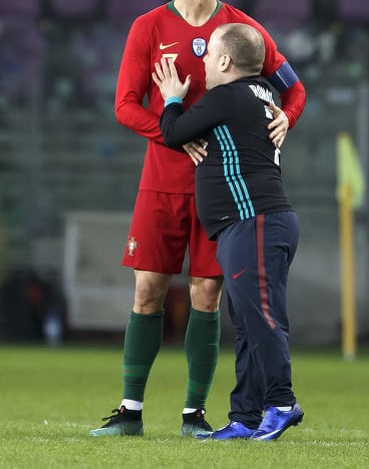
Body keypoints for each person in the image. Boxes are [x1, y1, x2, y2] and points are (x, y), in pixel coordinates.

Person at [89, 0, 306, 438]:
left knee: (208, 296)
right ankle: (130, 411)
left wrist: (287, 118)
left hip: (225, 192)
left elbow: (293, 89)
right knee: (147, 292)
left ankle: (194, 415)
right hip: (161, 182)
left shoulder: (241, 29)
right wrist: (175, 137)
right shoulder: (148, 28)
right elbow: (124, 106)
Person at [155, 22, 303, 441]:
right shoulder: (265, 94)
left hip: (252, 220)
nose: (202, 63)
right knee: (249, 320)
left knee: (261, 319)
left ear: (224, 61)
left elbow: (173, 133)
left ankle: (282, 401)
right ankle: (245, 417)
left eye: (208, 55)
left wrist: (172, 99)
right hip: (262, 222)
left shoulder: (227, 96)